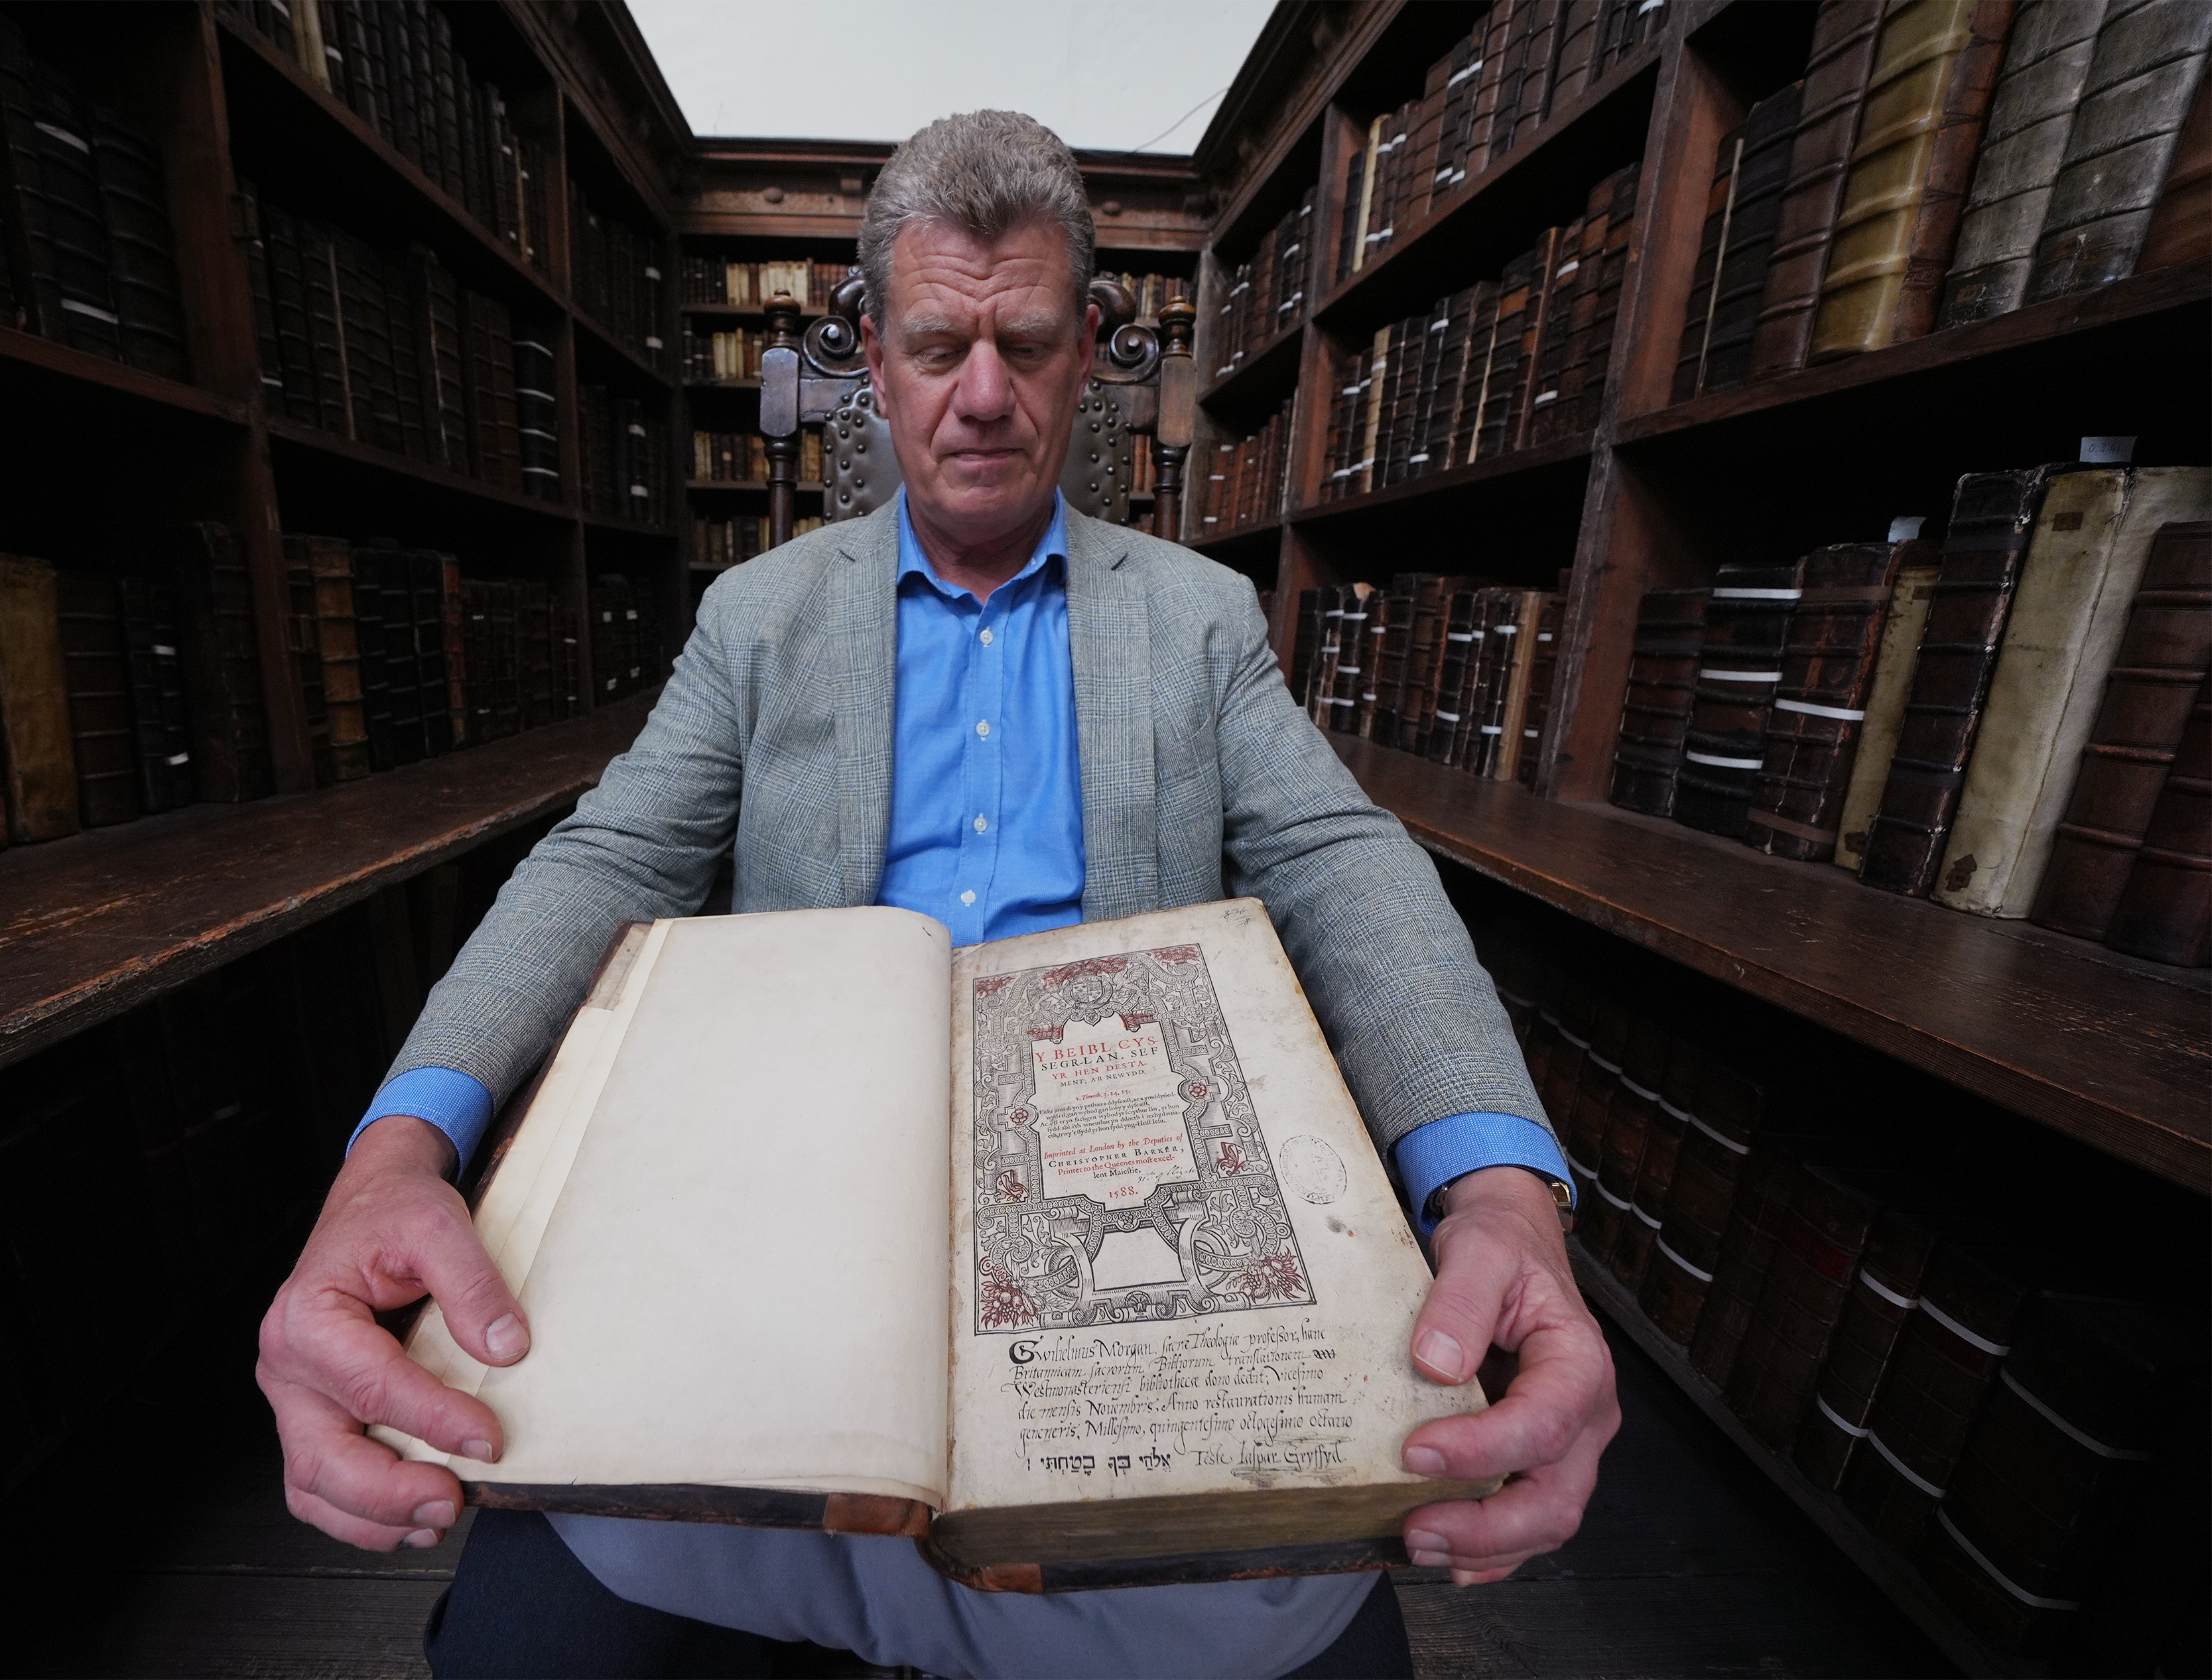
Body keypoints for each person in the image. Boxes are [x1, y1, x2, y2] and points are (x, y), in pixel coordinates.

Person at [257, 109, 1618, 1679]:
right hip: (793, 1204)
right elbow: (610, 855)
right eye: (936, 345)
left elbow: (1338, 859)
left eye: (1025, 344)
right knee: (522, 1646)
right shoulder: (759, 618)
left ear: (1089, 350)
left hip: (1123, 1201)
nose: (981, 397)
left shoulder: (1194, 619)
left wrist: (1497, 1189)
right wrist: (396, 1148)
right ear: (871, 357)